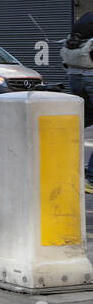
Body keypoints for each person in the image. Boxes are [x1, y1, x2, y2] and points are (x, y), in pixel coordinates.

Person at [61, 11, 93, 192]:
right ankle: (92, 178)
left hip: (74, 75)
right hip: (91, 77)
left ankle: (63, 164)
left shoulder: (85, 19)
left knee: (80, 121)